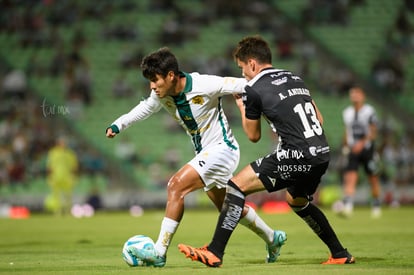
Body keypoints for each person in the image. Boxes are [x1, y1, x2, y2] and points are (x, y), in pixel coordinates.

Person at [178, 36, 355, 267]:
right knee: (297, 200)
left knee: (235, 187)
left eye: (242, 69)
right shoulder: (295, 78)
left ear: (252, 63)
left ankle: (215, 251)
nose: (243, 75)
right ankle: (340, 253)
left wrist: (242, 105)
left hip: (297, 155)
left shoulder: (253, 89)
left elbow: (253, 136)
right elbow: (319, 119)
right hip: (321, 153)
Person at [105, 47, 286, 267]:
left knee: (175, 186)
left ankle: (159, 252)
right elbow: (145, 108)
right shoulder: (161, 94)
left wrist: (283, 92)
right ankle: (272, 237)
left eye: (155, 80)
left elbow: (245, 84)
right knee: (228, 207)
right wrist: (119, 124)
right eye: (149, 81)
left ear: (171, 75)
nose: (152, 86)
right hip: (206, 153)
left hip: (223, 149)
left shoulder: (205, 84)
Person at [339, 86, 381, 218]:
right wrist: (345, 144)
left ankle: (376, 204)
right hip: (353, 150)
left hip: (367, 149)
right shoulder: (347, 112)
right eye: (352, 94)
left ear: (363, 96)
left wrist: (361, 144)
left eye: (357, 94)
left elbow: (373, 131)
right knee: (350, 177)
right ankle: (348, 205)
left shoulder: (369, 111)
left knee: (372, 177)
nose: (354, 97)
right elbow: (347, 131)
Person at [45, 136, 78, 215]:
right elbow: (49, 166)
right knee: (56, 196)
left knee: (68, 195)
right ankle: (57, 211)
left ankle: (67, 211)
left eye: (64, 142)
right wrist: (49, 176)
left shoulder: (70, 153)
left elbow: (74, 166)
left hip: (67, 177)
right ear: (58, 143)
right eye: (62, 142)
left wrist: (73, 175)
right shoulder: (53, 153)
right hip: (56, 177)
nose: (63, 144)